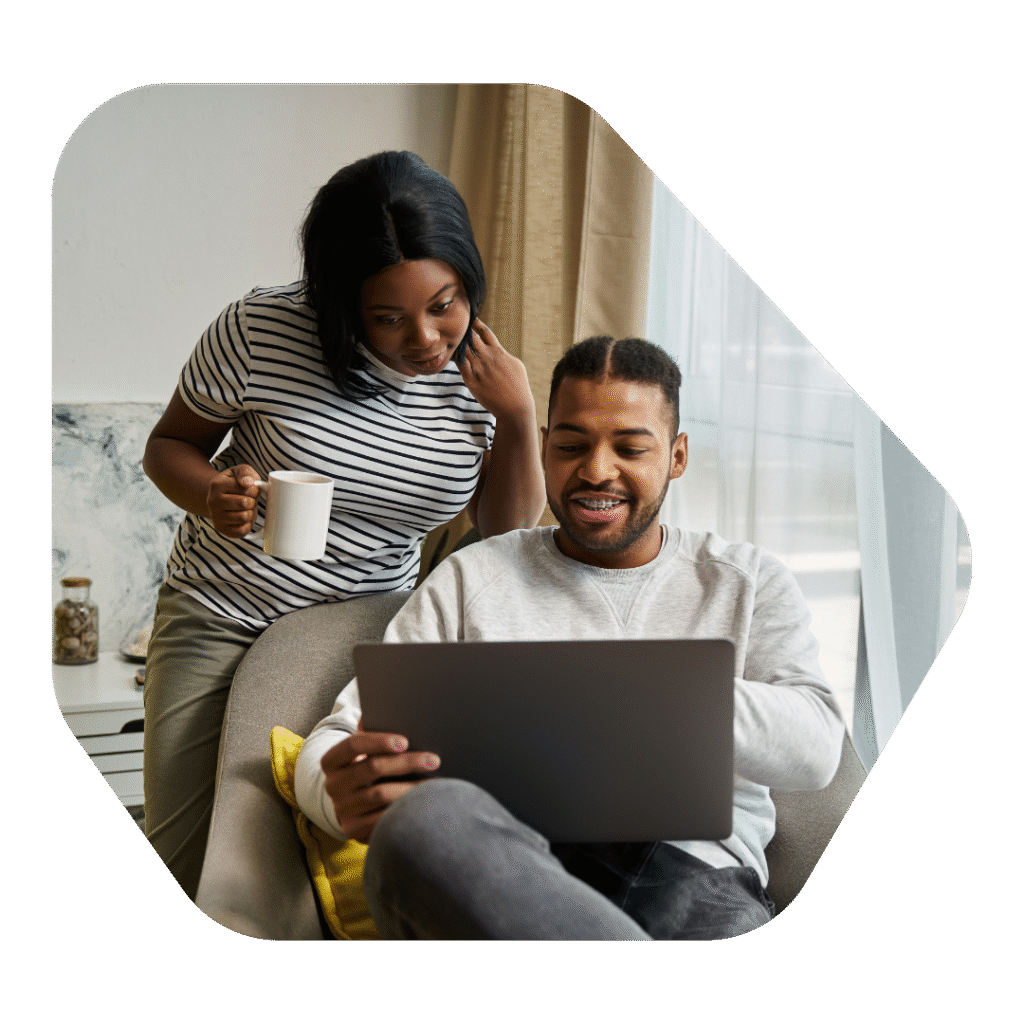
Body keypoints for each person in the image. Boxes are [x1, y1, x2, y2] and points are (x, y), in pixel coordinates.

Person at [294, 335, 846, 940]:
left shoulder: (745, 581)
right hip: (506, 873)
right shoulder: (473, 575)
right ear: (544, 448)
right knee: (421, 824)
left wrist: (651, 695)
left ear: (678, 455)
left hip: (691, 878)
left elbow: (817, 747)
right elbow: (342, 735)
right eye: (571, 446)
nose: (597, 471)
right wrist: (334, 792)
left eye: (631, 447)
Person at [142, 151, 546, 901]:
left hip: (366, 640)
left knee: (306, 872)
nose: (427, 339)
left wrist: (518, 416)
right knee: (187, 863)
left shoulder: (478, 378)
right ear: (339, 302)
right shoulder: (260, 330)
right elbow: (168, 447)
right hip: (223, 618)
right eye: (388, 318)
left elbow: (501, 533)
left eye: (445, 304)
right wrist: (210, 494)